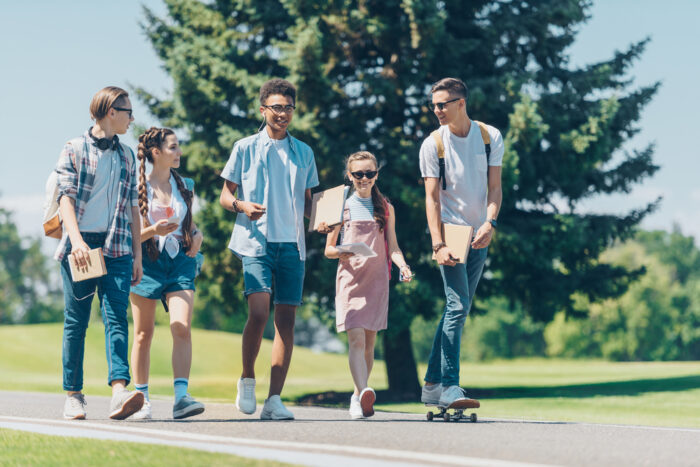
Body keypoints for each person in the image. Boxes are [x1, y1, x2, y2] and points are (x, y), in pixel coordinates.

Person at [219, 78, 319, 420]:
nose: (283, 114)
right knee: (259, 313)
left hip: (292, 245)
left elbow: (308, 204)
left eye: (289, 108)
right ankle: (247, 378)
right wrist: (242, 206)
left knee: (286, 322)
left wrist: (328, 217)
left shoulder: (304, 152)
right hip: (255, 242)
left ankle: (274, 399)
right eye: (277, 108)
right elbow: (225, 196)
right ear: (263, 110)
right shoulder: (244, 147)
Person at [55, 86, 144, 420]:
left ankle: (119, 391)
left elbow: (134, 207)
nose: (131, 118)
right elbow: (66, 197)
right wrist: (77, 242)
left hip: (118, 246)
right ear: (111, 111)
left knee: (116, 317)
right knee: (76, 322)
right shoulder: (74, 149)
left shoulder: (127, 156)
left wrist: (137, 254)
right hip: (82, 245)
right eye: (128, 112)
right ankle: (74, 394)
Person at [419, 78, 503, 407]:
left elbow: (494, 188)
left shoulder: (488, 136)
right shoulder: (433, 144)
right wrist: (438, 243)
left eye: (443, 104)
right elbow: (431, 199)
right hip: (451, 232)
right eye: (434, 105)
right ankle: (449, 387)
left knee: (459, 307)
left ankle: (429, 384)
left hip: (480, 231)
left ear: (461, 103)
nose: (437, 110)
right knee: (456, 307)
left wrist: (490, 222)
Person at [320, 151, 413, 419]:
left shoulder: (385, 207)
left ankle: (356, 395)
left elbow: (393, 246)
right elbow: (328, 250)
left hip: (376, 281)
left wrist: (403, 267)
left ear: (376, 175)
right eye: (358, 174)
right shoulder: (340, 207)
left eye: (369, 173)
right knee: (356, 339)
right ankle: (363, 393)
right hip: (350, 279)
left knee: (369, 344)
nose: (364, 178)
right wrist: (342, 251)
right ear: (350, 176)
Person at [128, 127, 206, 420]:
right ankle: (142, 398)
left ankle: (181, 398)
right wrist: (153, 231)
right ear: (156, 153)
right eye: (173, 148)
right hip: (147, 263)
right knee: (143, 334)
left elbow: (191, 224)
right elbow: (131, 234)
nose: (179, 152)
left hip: (181, 263)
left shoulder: (186, 184)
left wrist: (196, 236)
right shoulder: (137, 189)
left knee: (181, 326)